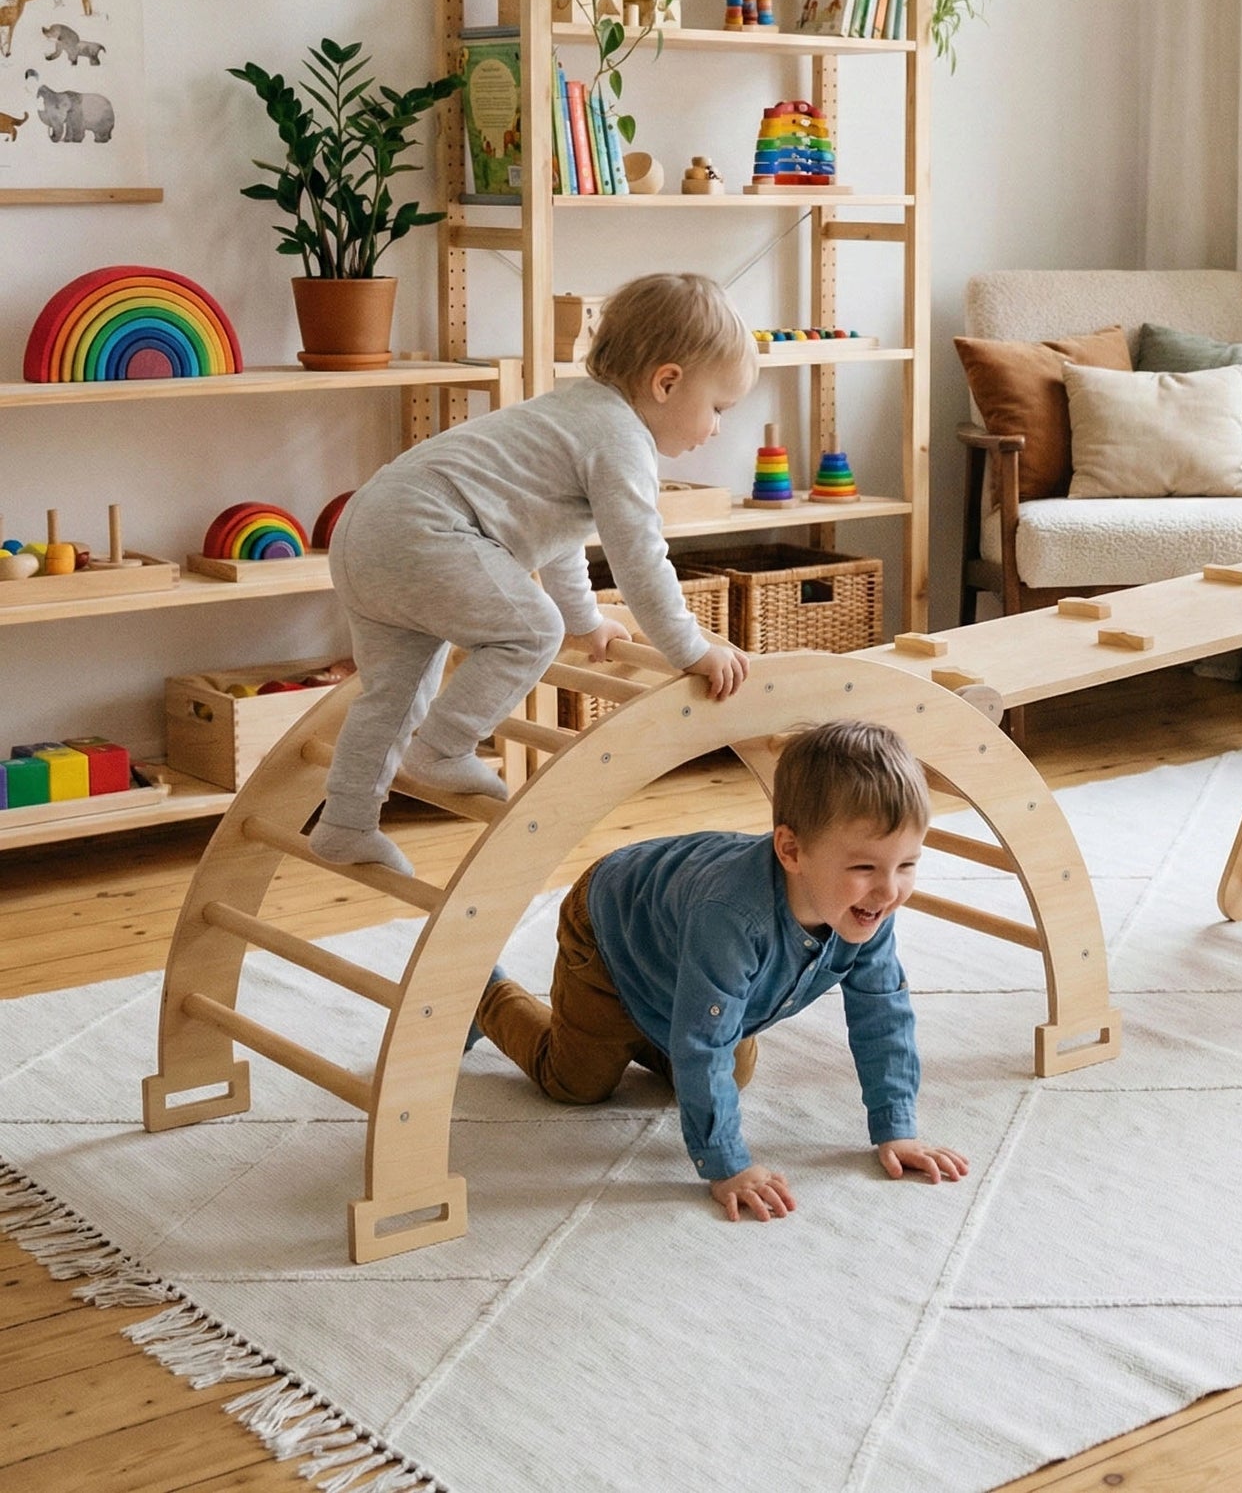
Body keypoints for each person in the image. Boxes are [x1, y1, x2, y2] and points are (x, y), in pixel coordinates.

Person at [311, 272, 756, 876]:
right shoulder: (621, 437)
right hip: (423, 528)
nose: (717, 427)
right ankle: (443, 748)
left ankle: (344, 824)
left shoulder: (576, 412)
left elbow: (558, 537)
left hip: (367, 529)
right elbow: (640, 558)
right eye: (718, 408)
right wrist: (690, 649)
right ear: (667, 382)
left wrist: (586, 619)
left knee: (392, 694)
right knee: (530, 630)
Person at [471, 719, 968, 1222]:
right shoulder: (731, 917)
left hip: (679, 959)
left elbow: (883, 1012)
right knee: (576, 1083)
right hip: (612, 938)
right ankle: (483, 995)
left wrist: (896, 1127)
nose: (889, 891)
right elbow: (704, 1044)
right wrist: (726, 1165)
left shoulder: (867, 910)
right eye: (865, 868)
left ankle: (647, 1031)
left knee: (735, 1070)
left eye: (906, 865)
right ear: (791, 851)